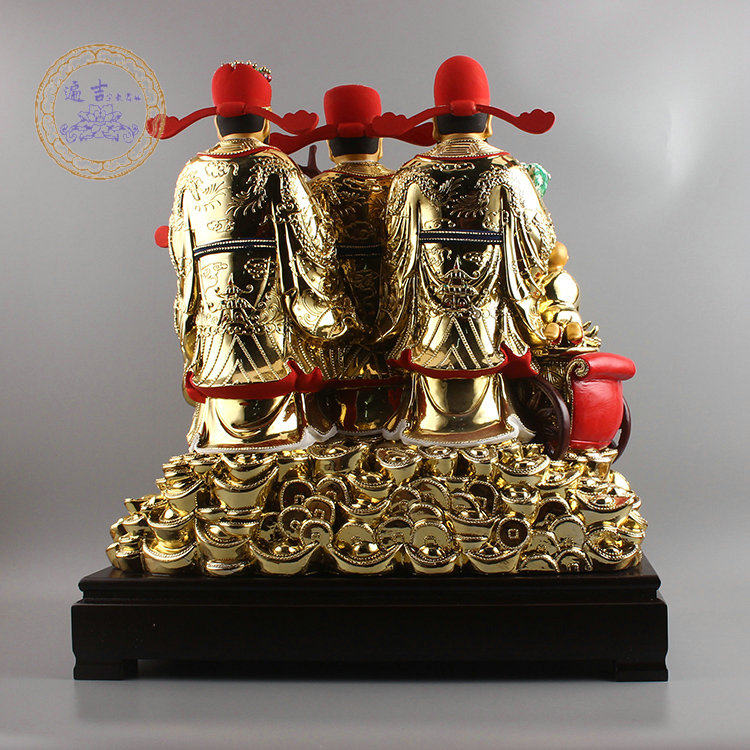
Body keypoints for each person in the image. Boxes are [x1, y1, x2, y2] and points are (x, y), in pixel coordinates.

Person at [146, 61, 359, 452]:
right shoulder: (277, 166)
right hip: (271, 335)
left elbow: (181, 255)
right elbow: (312, 244)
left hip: (215, 335)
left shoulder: (191, 173)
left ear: (217, 122)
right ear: (264, 119)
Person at [371, 55, 560, 446]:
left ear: (435, 124)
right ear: (488, 123)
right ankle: (492, 426)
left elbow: (396, 252)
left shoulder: (410, 174)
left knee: (429, 349)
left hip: (430, 308)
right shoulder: (508, 172)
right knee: (490, 348)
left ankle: (427, 426)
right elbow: (540, 240)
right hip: (488, 310)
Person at [271, 84, 432, 434]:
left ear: (331, 146)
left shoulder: (314, 192)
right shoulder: (401, 186)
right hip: (397, 335)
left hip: (334, 342)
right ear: (380, 143)